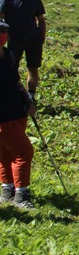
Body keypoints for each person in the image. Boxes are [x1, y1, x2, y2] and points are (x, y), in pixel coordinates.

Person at [0, 20, 36, 209]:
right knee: (23, 152)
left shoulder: (9, 55)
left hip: (17, 112)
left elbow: (16, 82)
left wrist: (28, 100)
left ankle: (8, 190)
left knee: (6, 153)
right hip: (3, 118)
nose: (2, 34)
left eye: (4, 30)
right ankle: (22, 195)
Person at [0, 0, 46, 99]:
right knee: (12, 68)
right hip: (14, 40)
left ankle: (31, 96)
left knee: (33, 68)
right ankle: (12, 93)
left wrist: (41, 36)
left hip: (33, 40)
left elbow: (41, 19)